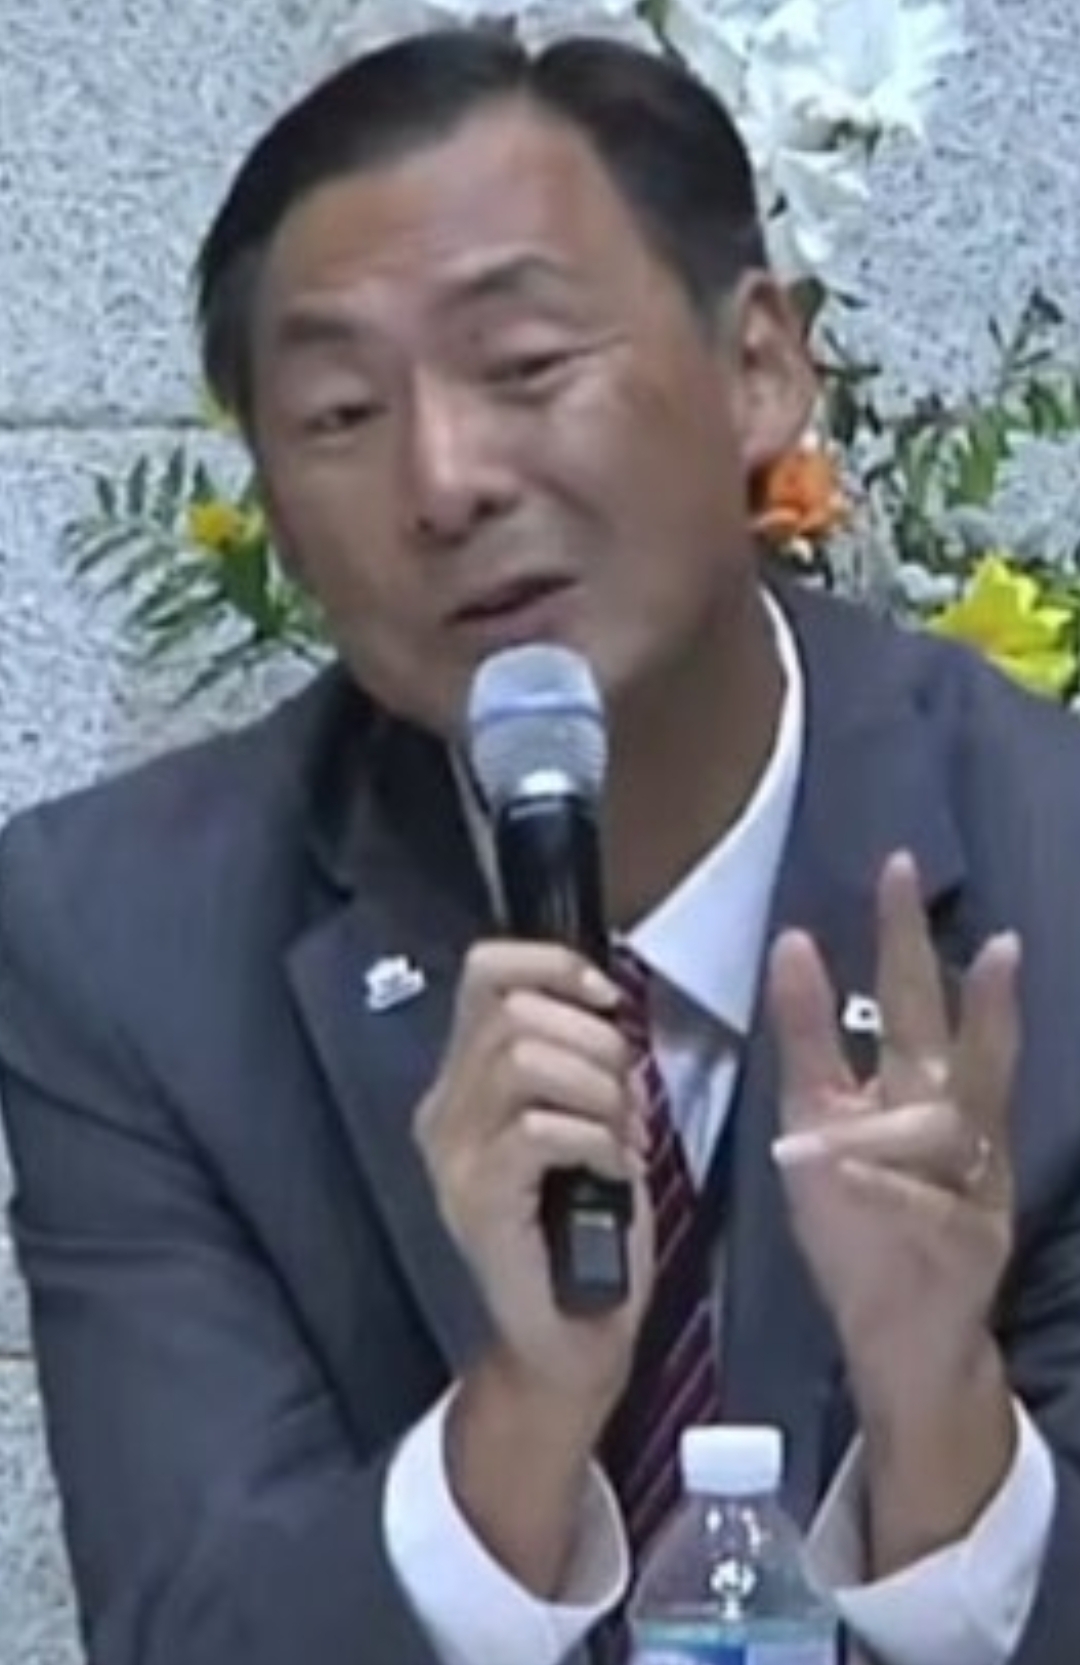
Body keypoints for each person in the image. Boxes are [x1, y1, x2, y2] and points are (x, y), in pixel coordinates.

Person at [1, 26, 1079, 1665]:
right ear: (278, 517)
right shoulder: (124, 942)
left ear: (760, 368)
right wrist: (522, 1413)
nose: (446, 482)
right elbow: (192, 1625)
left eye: (524, 367)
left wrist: (942, 1425)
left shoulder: (1049, 859)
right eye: (343, 412)